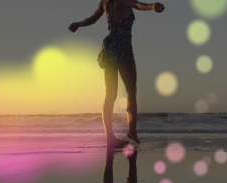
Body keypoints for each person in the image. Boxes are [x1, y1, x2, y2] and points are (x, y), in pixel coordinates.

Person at [68, 0, 165, 148]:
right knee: (131, 91)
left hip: (109, 46)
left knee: (110, 94)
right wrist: (152, 6)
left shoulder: (105, 1)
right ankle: (131, 131)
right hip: (123, 46)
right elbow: (138, 5)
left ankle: (110, 137)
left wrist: (78, 24)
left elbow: (93, 18)